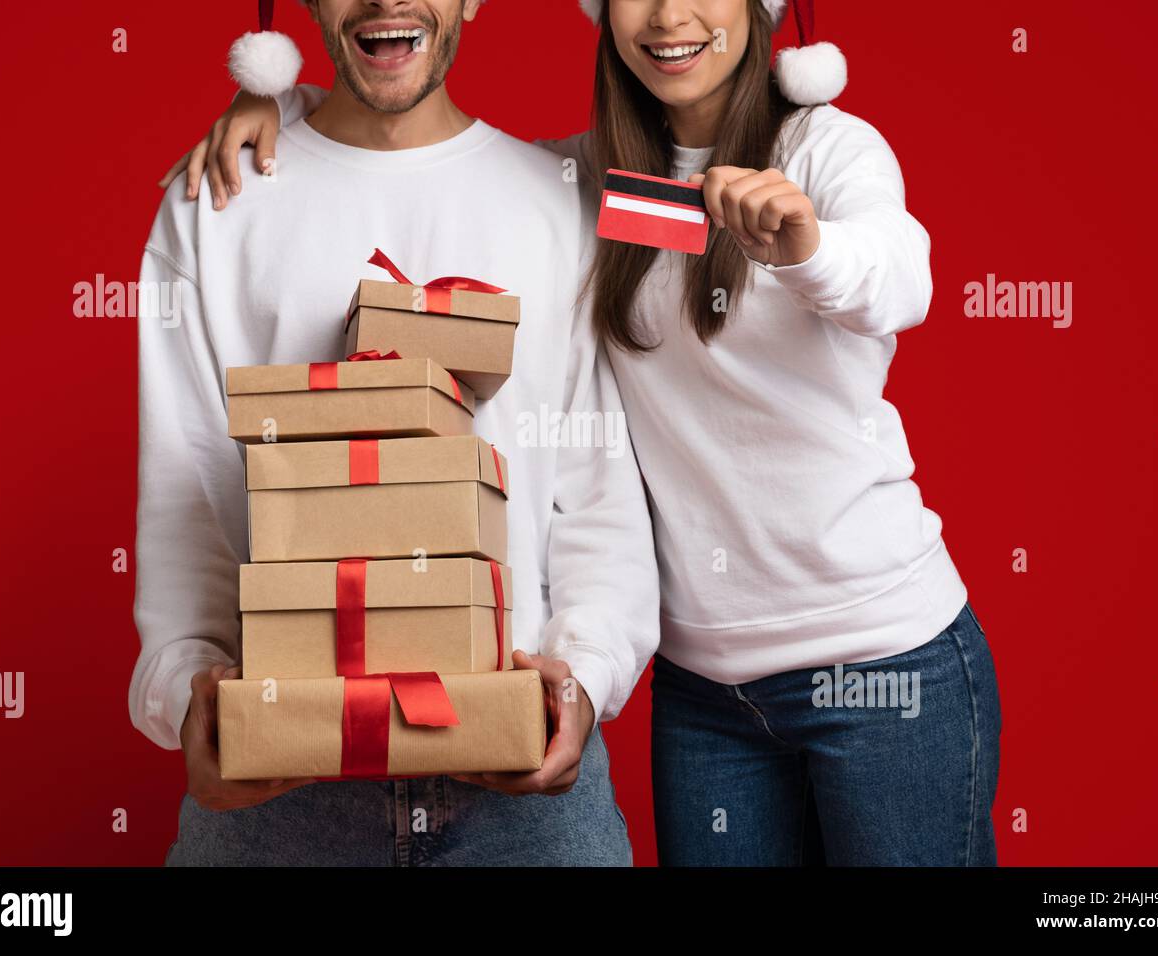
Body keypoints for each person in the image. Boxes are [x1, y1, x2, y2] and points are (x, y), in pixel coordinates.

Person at [169, 0, 1003, 866]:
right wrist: (282, 107)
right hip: (708, 688)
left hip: (878, 655)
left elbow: (900, 278)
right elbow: (410, 145)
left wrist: (807, 245)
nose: (669, 15)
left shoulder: (825, 150)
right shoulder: (598, 186)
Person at [133, 0, 660, 866]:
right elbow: (185, 494)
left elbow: (596, 496)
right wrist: (187, 696)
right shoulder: (215, 202)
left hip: (518, 776)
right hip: (282, 788)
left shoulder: (561, 199)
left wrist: (585, 682)